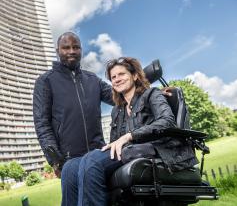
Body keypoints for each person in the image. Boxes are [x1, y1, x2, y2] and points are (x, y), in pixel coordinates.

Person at [76, 57, 198, 206]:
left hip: (157, 148)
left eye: (122, 74)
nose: (117, 79)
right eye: (113, 77)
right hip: (130, 151)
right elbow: (115, 143)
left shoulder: (152, 94)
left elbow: (167, 121)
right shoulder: (117, 110)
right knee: (73, 167)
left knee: (93, 160)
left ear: (134, 76)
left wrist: (130, 136)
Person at [33, 32, 113, 206]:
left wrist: (149, 91)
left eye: (75, 47)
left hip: (97, 154)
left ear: (81, 50)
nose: (71, 51)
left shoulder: (94, 80)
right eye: (66, 47)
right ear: (57, 50)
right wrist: (55, 160)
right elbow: (42, 123)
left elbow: (120, 95)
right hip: (70, 159)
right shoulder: (45, 81)